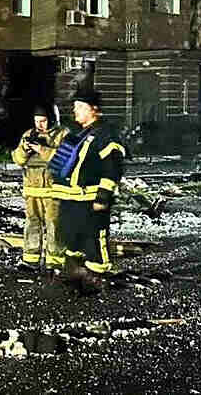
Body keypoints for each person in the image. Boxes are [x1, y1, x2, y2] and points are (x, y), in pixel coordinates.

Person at [47, 89, 126, 293]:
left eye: (80, 107)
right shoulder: (76, 135)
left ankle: (97, 279)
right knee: (70, 237)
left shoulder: (105, 135)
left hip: (90, 199)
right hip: (69, 199)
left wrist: (103, 197)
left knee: (94, 239)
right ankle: (75, 276)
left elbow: (112, 168)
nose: (76, 111)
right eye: (75, 107)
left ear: (94, 110)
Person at [10, 105, 69, 271]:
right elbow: (18, 159)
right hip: (32, 190)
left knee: (54, 226)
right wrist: (25, 149)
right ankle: (30, 260)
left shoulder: (63, 135)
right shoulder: (29, 134)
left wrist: (41, 149)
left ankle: (55, 262)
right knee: (32, 225)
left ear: (52, 119)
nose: (39, 125)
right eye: (36, 121)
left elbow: (65, 159)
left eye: (43, 121)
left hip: (53, 190)